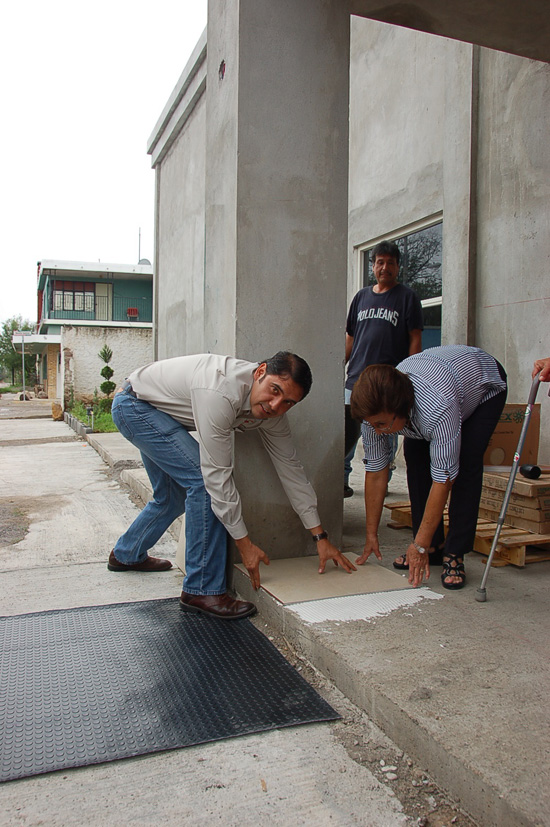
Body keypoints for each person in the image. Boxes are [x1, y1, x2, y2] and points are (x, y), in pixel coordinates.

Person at [108, 351, 356, 619]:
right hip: (135, 406)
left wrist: (319, 536)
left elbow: (291, 471)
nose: (275, 405)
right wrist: (245, 544)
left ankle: (126, 553)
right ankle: (201, 589)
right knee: (203, 484)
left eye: (288, 402)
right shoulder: (220, 392)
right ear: (260, 372)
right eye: (274, 390)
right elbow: (217, 477)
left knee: (171, 497)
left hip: (153, 410)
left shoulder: (272, 415)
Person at [350, 345, 507, 590]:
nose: (378, 431)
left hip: (483, 382)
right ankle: (432, 547)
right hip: (438, 373)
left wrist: (418, 545)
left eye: (382, 424)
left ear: (401, 408)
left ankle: (454, 552)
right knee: (415, 455)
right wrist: (371, 534)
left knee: (464, 461)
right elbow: (377, 473)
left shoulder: (437, 408)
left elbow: (443, 478)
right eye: (373, 425)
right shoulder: (374, 415)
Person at [344, 240, 423, 497]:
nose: (385, 267)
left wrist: (410, 374)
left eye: (390, 262)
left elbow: (414, 338)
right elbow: (350, 338)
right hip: (355, 379)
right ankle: (341, 480)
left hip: (388, 382)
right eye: (380, 262)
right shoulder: (361, 297)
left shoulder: (407, 297)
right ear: (373, 265)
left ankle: (382, 480)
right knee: (347, 432)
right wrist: (339, 367)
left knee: (385, 430)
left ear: (397, 266)